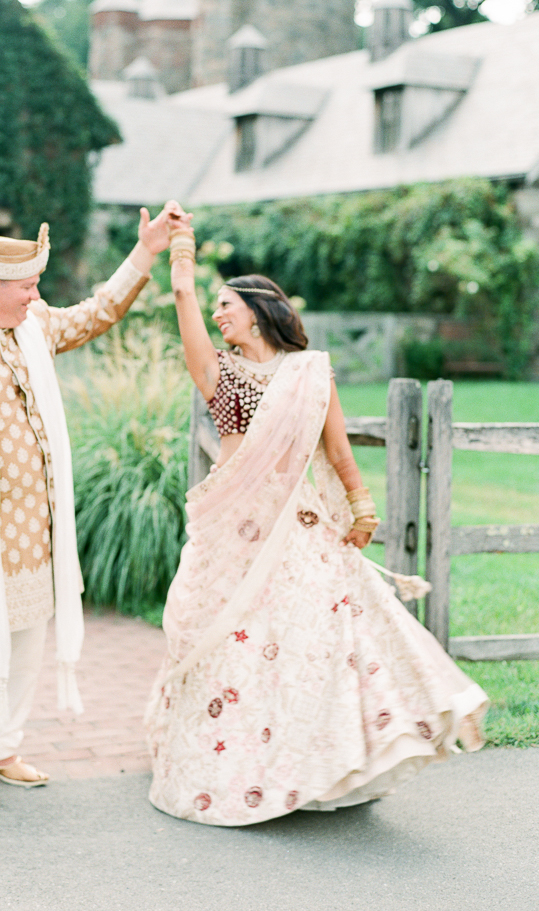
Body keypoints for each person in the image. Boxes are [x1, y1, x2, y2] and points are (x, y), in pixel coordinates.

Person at [145, 224, 488, 826]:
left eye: (228, 305)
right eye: (217, 306)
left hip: (297, 528)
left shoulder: (309, 373)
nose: (219, 314)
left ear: (258, 313)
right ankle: (242, 770)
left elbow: (338, 451)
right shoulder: (218, 374)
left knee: (312, 641)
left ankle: (322, 773)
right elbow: (182, 301)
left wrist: (361, 506)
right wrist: (181, 255)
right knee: (231, 647)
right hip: (235, 534)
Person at [0, 204, 179, 808]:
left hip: (40, 523)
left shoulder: (35, 327)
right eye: (28, 286)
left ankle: (0, 746)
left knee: (28, 634)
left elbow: (97, 314)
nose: (37, 296)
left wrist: (146, 251)